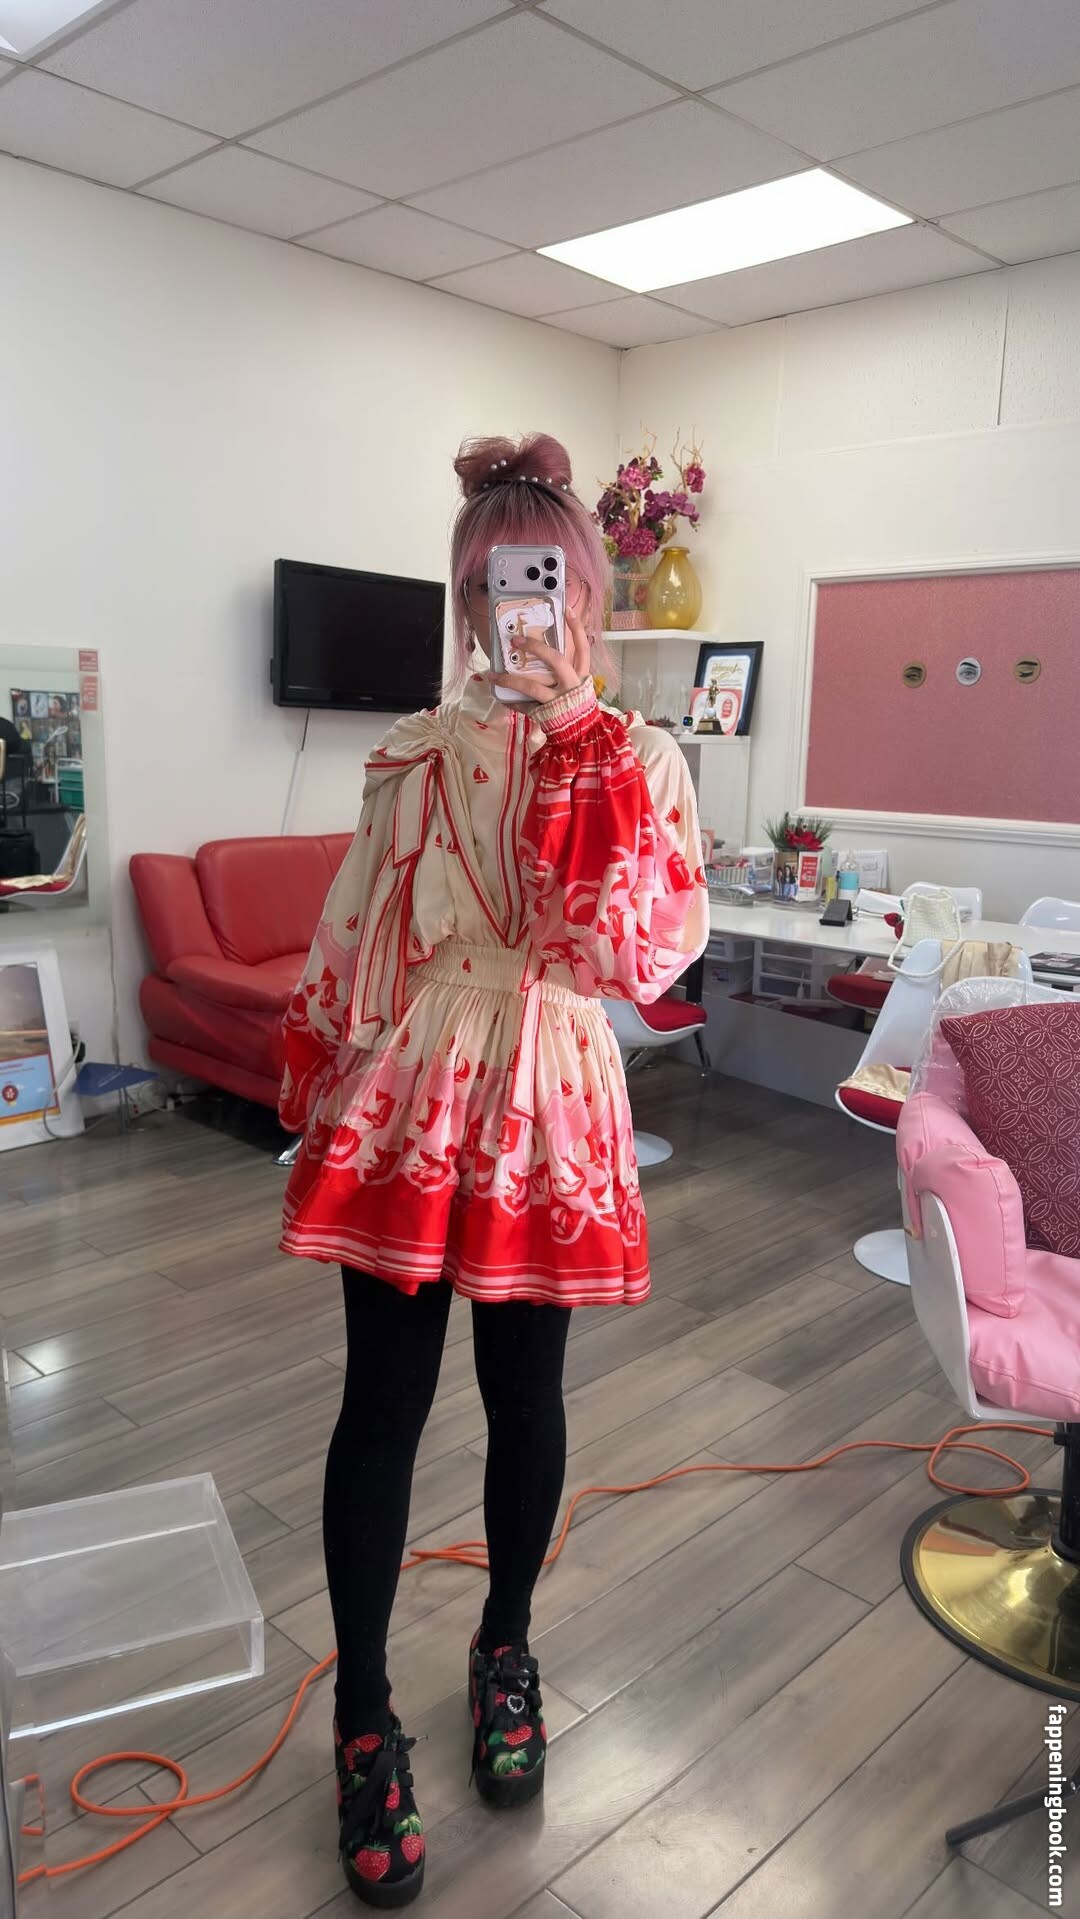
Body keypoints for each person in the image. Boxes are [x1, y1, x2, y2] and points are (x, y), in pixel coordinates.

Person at [279, 432, 709, 1907]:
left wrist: (583, 742)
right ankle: (360, 1716)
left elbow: (641, 955)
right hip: (422, 1078)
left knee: (529, 1395)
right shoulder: (409, 753)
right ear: (467, 602)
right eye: (496, 584)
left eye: (552, 580)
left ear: (587, 592)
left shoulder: (643, 759)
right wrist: (316, 1085)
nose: (526, 607)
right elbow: (356, 932)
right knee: (381, 1409)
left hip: (555, 1079)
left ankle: (504, 1644)